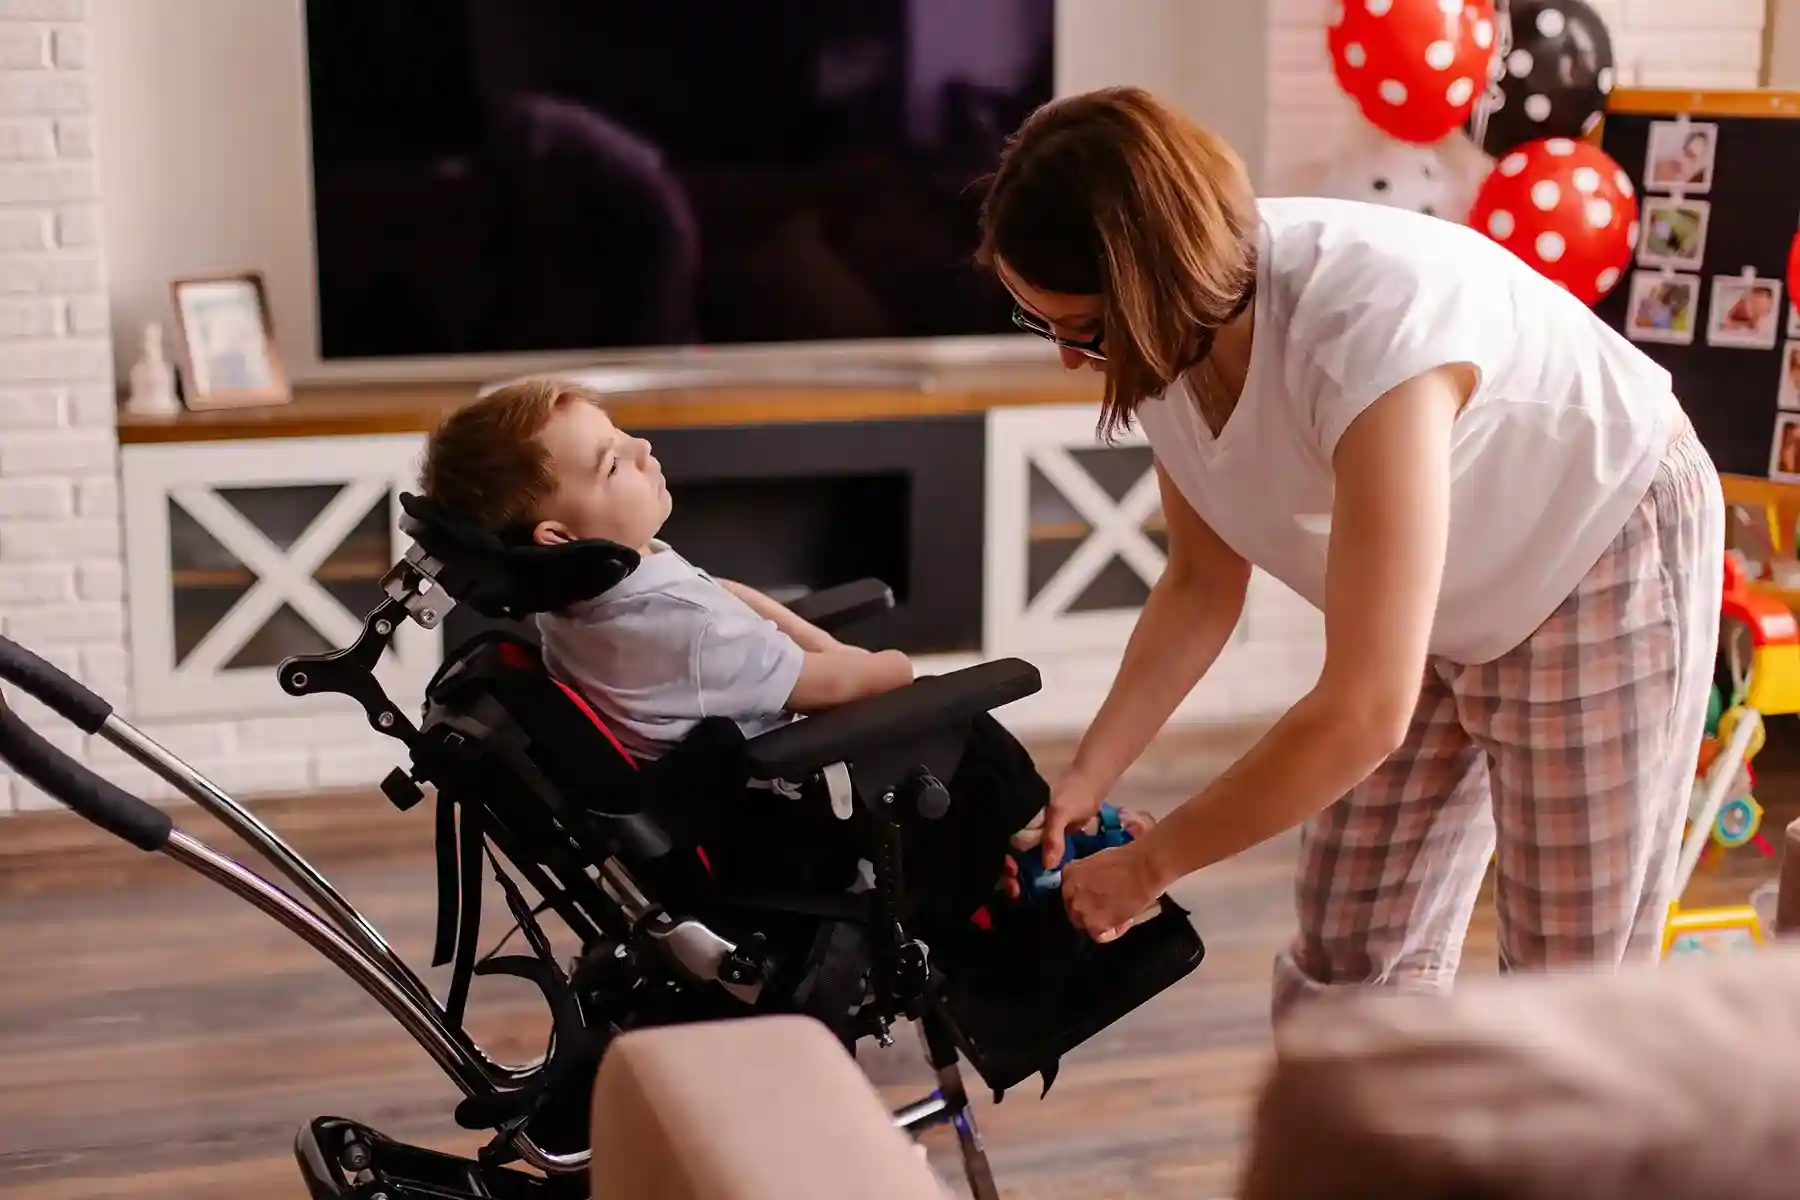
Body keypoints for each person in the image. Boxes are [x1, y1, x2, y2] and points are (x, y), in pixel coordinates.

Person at [976, 86, 1723, 1021]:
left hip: (1595, 548)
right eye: (1038, 322)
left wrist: (1151, 868)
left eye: (1081, 331)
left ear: (1151, 287)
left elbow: (1367, 711)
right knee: (1347, 960)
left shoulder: (1370, 333)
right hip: (1446, 586)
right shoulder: (1169, 337)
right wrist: (1087, 779)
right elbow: (1204, 583)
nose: (1070, 363)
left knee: (1569, 999)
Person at [417, 378, 1154, 930]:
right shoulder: (678, 629)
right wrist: (893, 668)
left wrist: (818, 641)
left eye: (626, 436)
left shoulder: (597, 592)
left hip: (734, 787)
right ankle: (1048, 846)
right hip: (791, 814)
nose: (644, 450)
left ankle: (1021, 847)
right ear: (560, 537)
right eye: (613, 463)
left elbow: (725, 592)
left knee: (916, 706)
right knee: (956, 716)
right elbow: (840, 681)